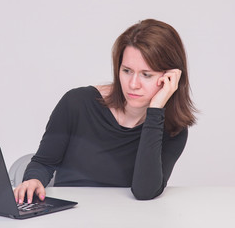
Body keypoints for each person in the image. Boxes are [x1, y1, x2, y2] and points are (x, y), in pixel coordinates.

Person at [13, 19, 197, 204]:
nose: (133, 84)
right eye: (126, 71)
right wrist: (33, 180)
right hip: (70, 217)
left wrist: (155, 111)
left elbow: (145, 191)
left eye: (146, 74)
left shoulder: (174, 130)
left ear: (171, 78)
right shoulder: (77, 103)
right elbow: (44, 163)